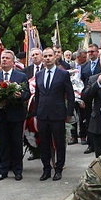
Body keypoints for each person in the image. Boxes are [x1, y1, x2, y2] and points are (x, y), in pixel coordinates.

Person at [0, 50, 31, 181]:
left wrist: (19, 96)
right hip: (0, 116)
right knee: (3, 144)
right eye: (3, 58)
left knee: (16, 144)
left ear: (13, 61)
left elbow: (26, 94)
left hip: (16, 115)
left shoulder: (20, 76)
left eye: (7, 58)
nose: (4, 60)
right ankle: (3, 170)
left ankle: (17, 170)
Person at [34, 48, 75, 182]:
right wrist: (36, 112)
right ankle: (46, 169)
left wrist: (69, 113)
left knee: (59, 143)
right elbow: (38, 95)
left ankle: (58, 169)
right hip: (42, 115)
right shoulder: (39, 75)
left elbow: (70, 95)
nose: (47, 58)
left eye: (50, 55)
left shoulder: (63, 74)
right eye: (45, 56)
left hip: (57, 115)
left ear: (55, 57)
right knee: (44, 143)